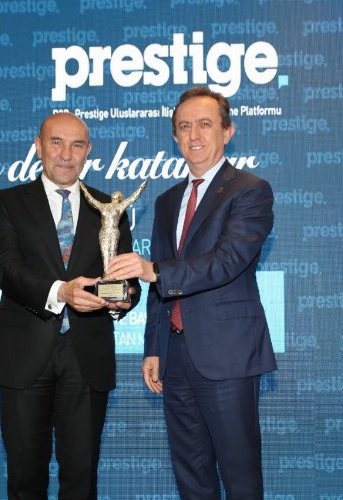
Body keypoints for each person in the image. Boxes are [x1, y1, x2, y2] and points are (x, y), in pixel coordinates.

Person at [107, 86, 277, 498]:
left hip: (227, 354)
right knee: (191, 477)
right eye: (184, 127)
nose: (194, 135)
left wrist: (152, 270)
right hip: (175, 356)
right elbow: (159, 285)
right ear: (175, 137)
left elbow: (227, 261)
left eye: (204, 124)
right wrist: (153, 347)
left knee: (240, 477)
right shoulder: (167, 202)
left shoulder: (250, 190)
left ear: (228, 131)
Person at [0, 112, 140, 498]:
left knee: (81, 478)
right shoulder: (6, 202)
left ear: (88, 151)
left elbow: (124, 278)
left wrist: (122, 299)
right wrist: (61, 292)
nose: (66, 154)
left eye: (77, 145)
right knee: (25, 478)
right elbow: (4, 267)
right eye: (56, 143)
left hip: (88, 354)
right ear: (38, 146)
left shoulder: (109, 206)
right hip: (23, 352)